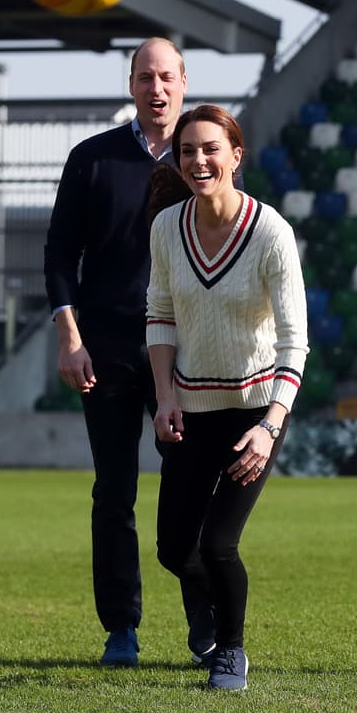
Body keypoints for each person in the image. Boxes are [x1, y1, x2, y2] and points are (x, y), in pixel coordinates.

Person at [43, 37, 215, 667]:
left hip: (188, 347)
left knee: (189, 489)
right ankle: (121, 628)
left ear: (184, 81)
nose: (157, 88)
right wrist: (71, 338)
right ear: (132, 84)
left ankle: (205, 623)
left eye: (167, 77)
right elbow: (60, 255)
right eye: (146, 77)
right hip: (110, 347)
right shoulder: (91, 159)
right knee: (113, 493)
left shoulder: (205, 158)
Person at [146, 104, 308, 691]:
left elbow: (295, 341)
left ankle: (230, 653)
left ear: (236, 156)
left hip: (255, 411)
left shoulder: (271, 232)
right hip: (189, 408)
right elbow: (159, 315)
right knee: (172, 548)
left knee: (218, 543)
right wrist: (164, 396)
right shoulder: (167, 227)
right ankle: (206, 616)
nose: (198, 160)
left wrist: (270, 425)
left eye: (211, 148)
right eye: (188, 150)